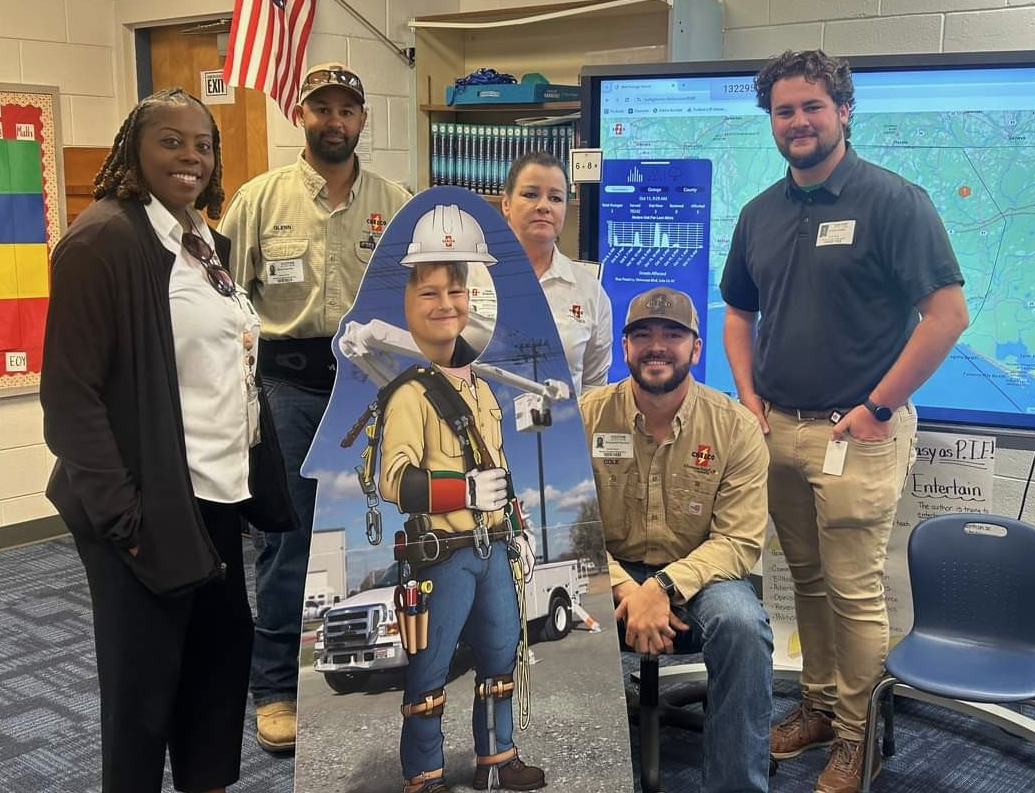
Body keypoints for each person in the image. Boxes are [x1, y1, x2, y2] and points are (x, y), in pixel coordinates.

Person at [720, 49, 969, 793]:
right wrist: (746, 395)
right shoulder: (760, 212)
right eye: (783, 111)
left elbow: (946, 315)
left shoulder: (894, 201)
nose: (797, 122)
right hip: (779, 431)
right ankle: (821, 709)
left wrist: (876, 407)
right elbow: (737, 310)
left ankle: (860, 739)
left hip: (854, 435)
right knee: (806, 582)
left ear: (844, 111)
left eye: (811, 108)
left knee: (855, 589)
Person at [39, 88, 295, 793]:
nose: (190, 156)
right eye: (171, 141)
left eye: (203, 144)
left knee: (216, 672)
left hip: (215, 499)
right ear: (133, 149)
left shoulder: (201, 239)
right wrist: (125, 518)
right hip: (145, 505)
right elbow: (70, 399)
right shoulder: (103, 242)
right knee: (144, 692)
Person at [218, 61, 411, 751]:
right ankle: (275, 686)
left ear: (362, 120)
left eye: (346, 110)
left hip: (372, 386)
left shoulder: (396, 199)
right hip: (289, 385)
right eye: (321, 108)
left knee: (374, 533)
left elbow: (417, 297)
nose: (335, 120)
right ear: (300, 114)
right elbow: (224, 301)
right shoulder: (258, 200)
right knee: (289, 539)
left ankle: (365, 668)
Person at [580, 287, 775, 793]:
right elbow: (566, 531)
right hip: (605, 572)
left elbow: (737, 541)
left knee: (741, 625)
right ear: (625, 348)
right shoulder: (585, 418)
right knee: (525, 608)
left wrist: (661, 587)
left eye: (673, 334)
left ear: (696, 348)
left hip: (699, 575)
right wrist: (626, 587)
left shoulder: (734, 427)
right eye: (642, 334)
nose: (657, 346)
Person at [375, 213, 544, 793]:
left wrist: (517, 526)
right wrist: (464, 490)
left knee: (500, 657)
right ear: (409, 301)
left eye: (456, 290)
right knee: (430, 668)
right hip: (442, 554)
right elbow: (392, 480)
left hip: (493, 548)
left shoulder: (485, 390)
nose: (445, 303)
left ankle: (497, 763)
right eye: (430, 291)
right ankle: (424, 776)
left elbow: (501, 468)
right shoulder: (408, 394)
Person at [464, 151, 612, 394]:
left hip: (558, 429)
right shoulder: (466, 275)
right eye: (530, 194)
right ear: (506, 204)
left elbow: (593, 386)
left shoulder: (589, 291)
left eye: (555, 198)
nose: (543, 206)